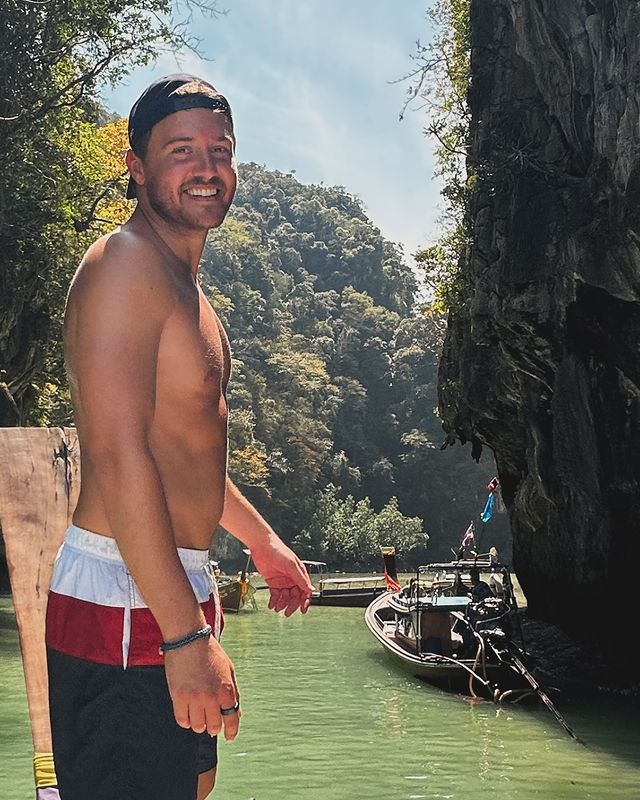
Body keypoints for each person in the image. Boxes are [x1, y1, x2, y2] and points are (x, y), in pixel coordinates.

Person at [45, 74, 314, 800]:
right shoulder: (123, 266)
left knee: (187, 788)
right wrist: (185, 639)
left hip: (168, 587)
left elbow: (180, 456)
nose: (206, 169)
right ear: (137, 167)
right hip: (130, 602)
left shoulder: (189, 293)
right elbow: (114, 451)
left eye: (220, 151)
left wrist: (261, 540)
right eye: (181, 151)